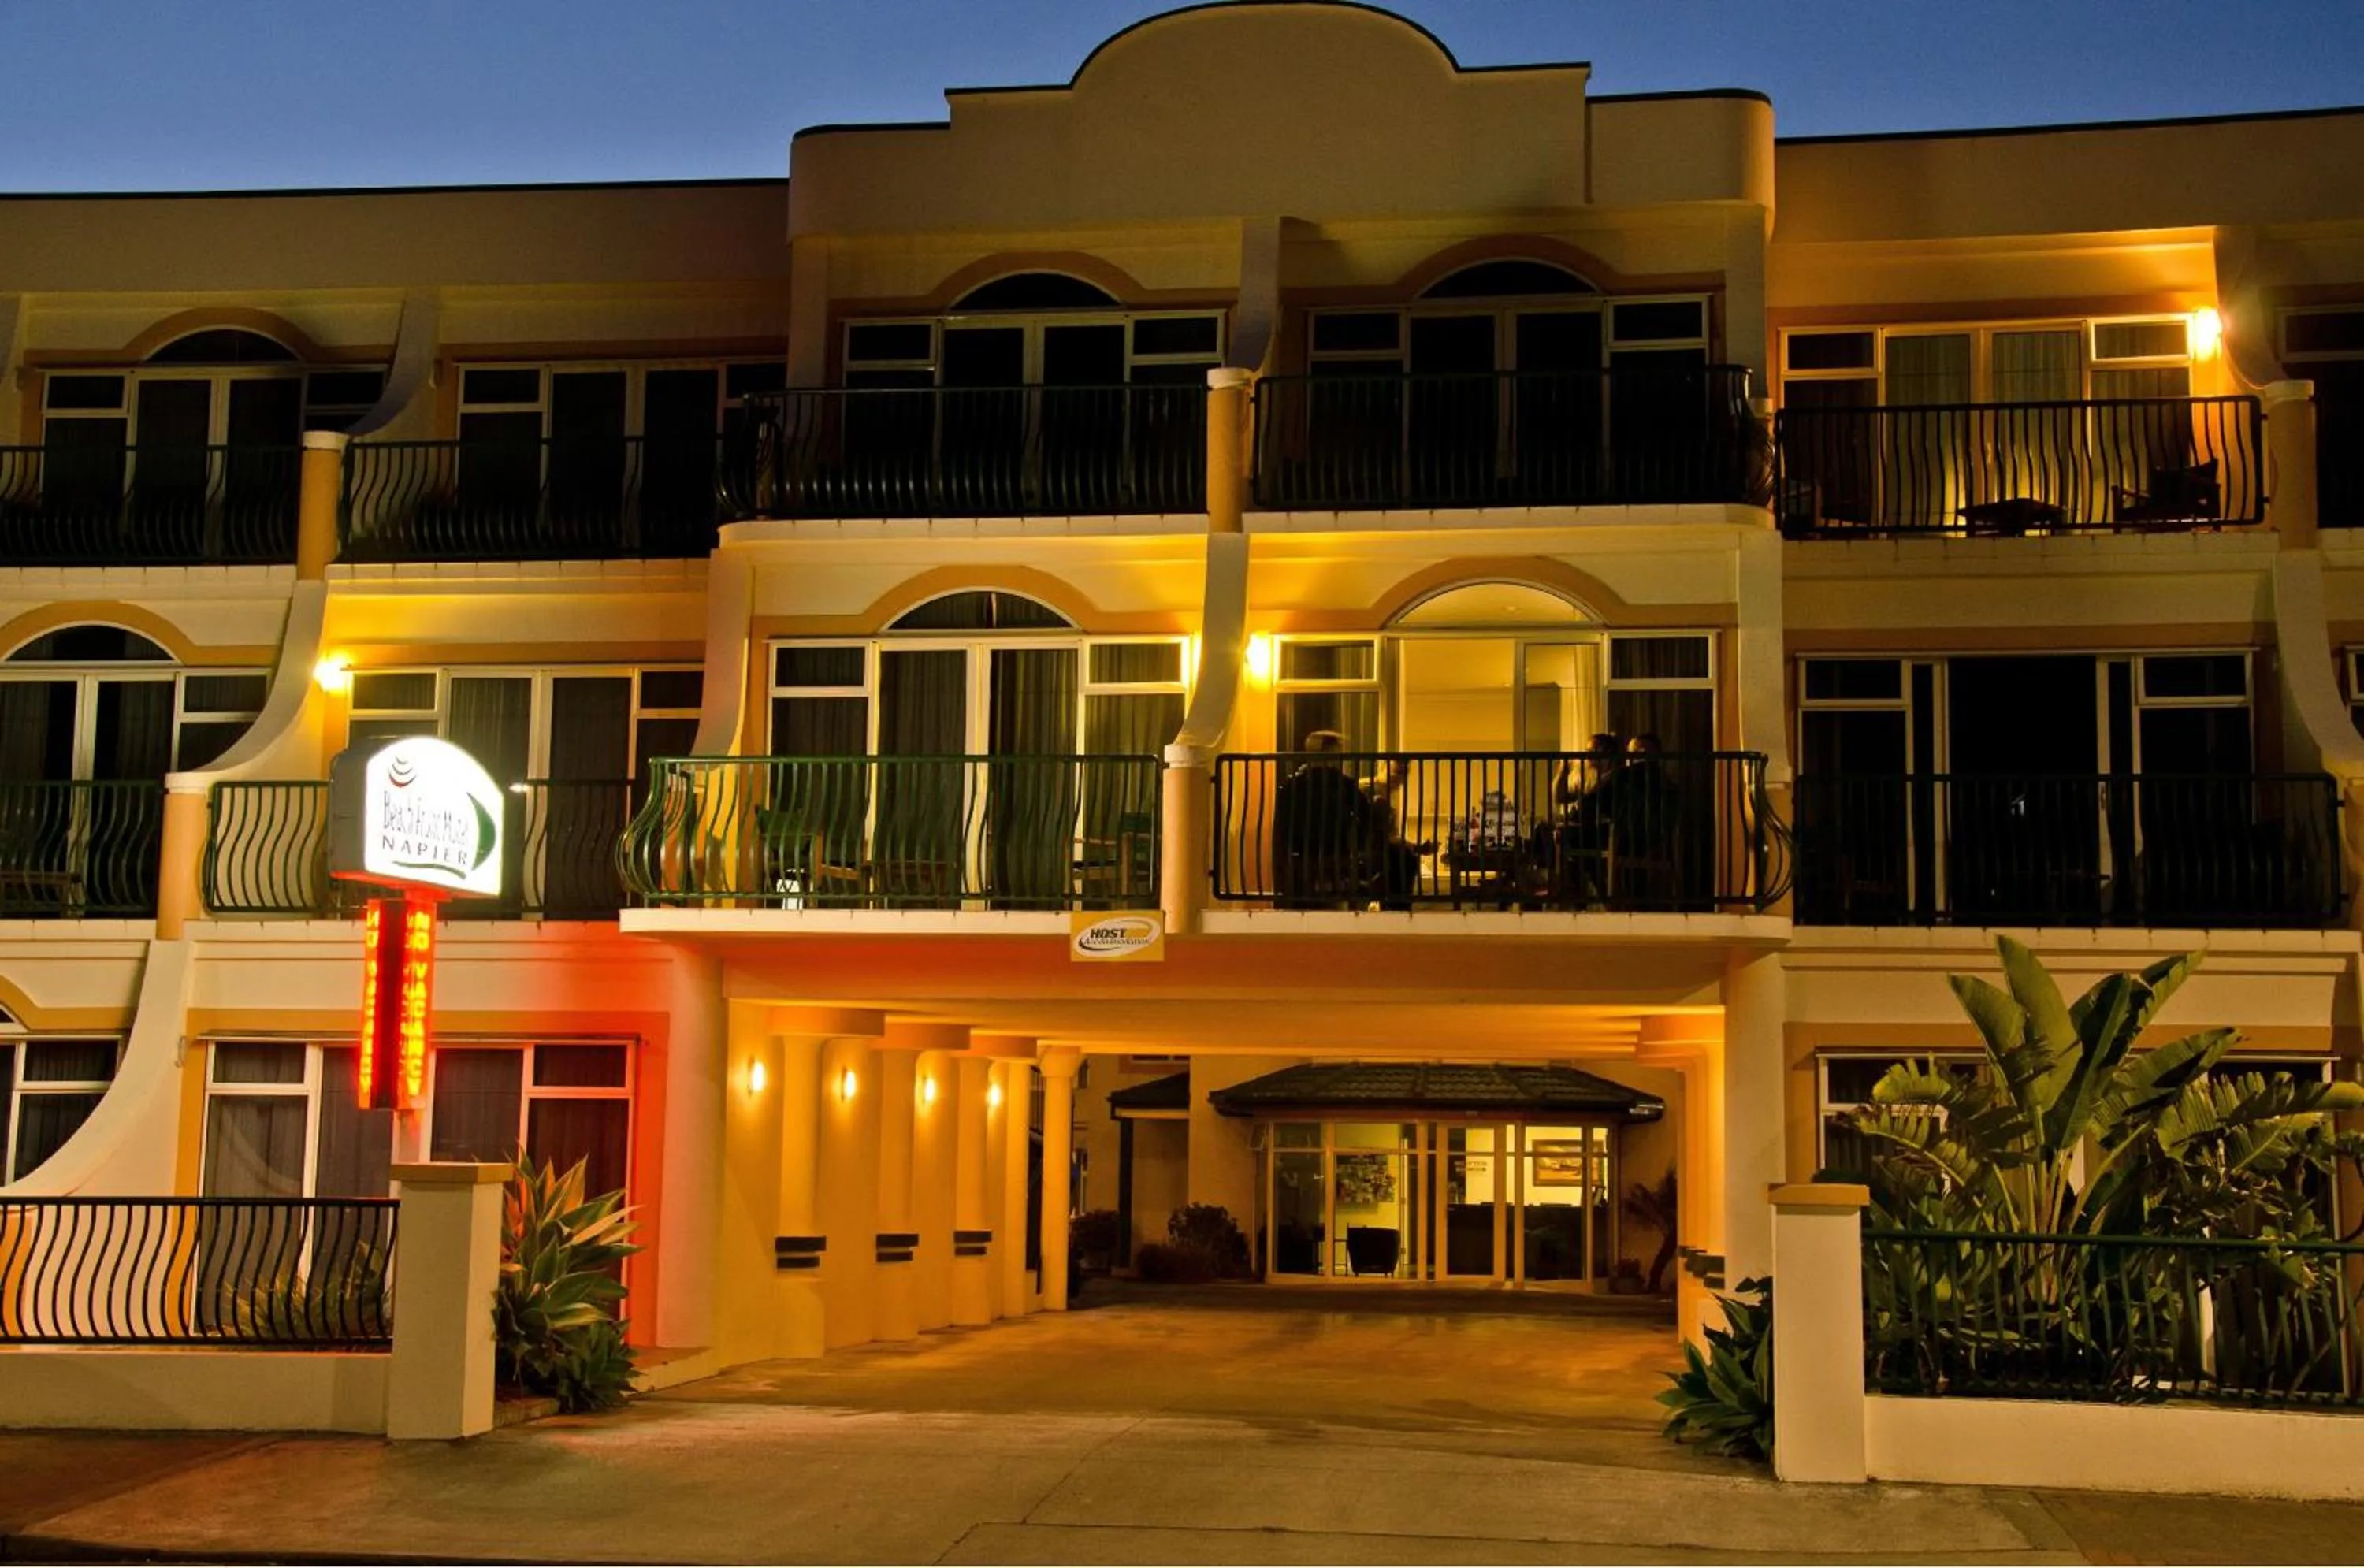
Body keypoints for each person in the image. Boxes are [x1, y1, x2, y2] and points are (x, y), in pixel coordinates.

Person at [1271, 730, 1382, 908]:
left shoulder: (1293, 785)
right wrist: (1359, 842)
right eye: (1336, 752)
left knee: (1303, 908)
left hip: (1303, 858)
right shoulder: (1340, 784)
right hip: (1336, 857)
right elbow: (1368, 816)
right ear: (1326, 754)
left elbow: (1282, 826)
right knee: (1340, 908)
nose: (1339, 758)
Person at [1366, 757, 1437, 910]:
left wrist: (1413, 846)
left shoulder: (1390, 795)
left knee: (1405, 856)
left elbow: (1388, 835)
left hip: (1381, 846)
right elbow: (1379, 834)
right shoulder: (1371, 790)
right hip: (1368, 846)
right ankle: (1398, 906)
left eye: (1403, 774)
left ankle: (1397, 904)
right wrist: (1413, 847)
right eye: (1396, 772)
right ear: (1383, 767)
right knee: (1405, 858)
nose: (1399, 778)